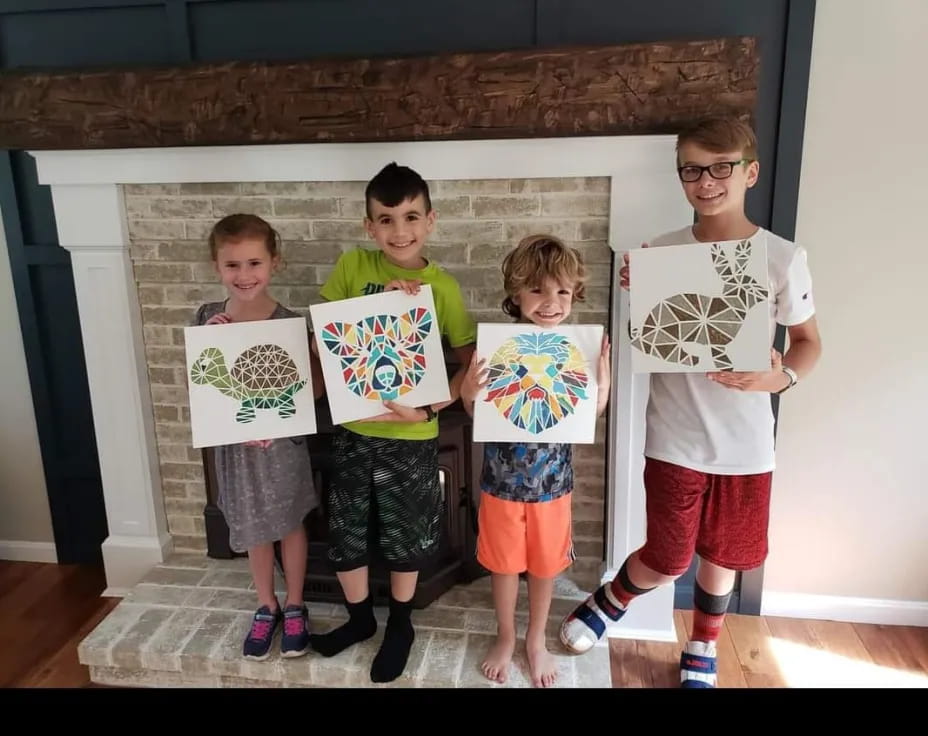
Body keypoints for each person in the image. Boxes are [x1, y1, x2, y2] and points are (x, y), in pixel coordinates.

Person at [558, 117, 822, 688]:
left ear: (749, 172)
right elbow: (648, 344)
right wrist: (642, 295)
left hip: (747, 444)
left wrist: (779, 381)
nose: (706, 181)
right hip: (674, 434)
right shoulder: (660, 253)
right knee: (669, 555)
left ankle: (703, 641)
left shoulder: (781, 257)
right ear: (681, 176)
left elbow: (808, 345)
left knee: (723, 551)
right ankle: (614, 598)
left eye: (721, 167)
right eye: (693, 170)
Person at [309, 162, 477, 683]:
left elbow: (472, 361)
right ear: (369, 226)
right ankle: (360, 619)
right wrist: (378, 306)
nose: (398, 231)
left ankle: (401, 622)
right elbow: (323, 330)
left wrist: (429, 409)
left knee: (407, 536)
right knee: (346, 531)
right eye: (385, 220)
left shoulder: (442, 287)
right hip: (356, 431)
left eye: (409, 217)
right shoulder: (353, 266)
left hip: (412, 434)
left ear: (430, 220)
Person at [460, 234, 611, 688]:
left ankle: (535, 639)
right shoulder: (496, 347)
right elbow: (475, 410)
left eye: (562, 291)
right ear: (515, 293)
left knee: (546, 566)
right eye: (538, 290)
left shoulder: (579, 349)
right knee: (503, 564)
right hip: (500, 481)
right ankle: (506, 635)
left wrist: (601, 386)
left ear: (574, 295)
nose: (551, 302)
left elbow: (590, 414)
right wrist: (469, 391)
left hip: (552, 484)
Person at [193, 213, 325, 660]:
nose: (244, 275)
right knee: (252, 527)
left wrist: (312, 356)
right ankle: (265, 604)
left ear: (274, 263)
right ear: (217, 267)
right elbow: (204, 384)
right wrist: (208, 346)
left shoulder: (290, 321)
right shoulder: (208, 317)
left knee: (288, 522)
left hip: (281, 446)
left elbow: (313, 392)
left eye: (254, 263)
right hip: (236, 449)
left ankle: (295, 605)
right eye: (233, 265)